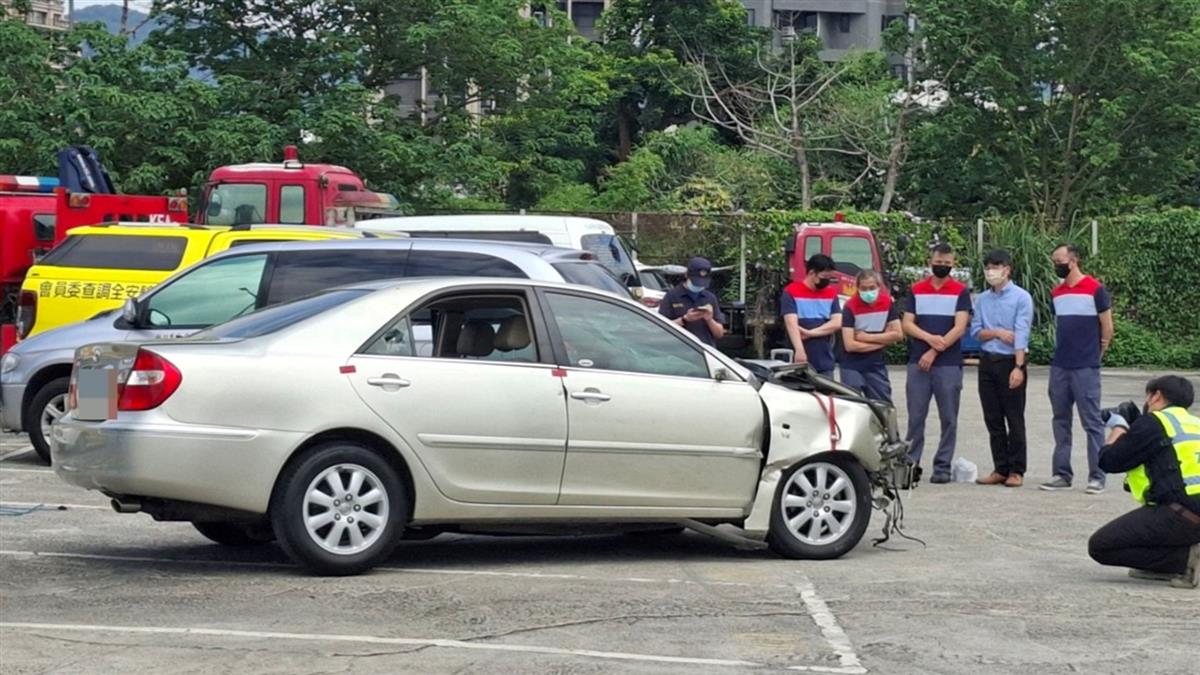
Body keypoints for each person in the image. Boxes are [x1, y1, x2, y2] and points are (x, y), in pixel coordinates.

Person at [1087, 375, 1200, 589]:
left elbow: (1109, 461)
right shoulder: (1195, 424)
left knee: (1101, 546)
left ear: (1156, 396)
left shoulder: (1154, 422)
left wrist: (1119, 427)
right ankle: (1182, 557)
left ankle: (1184, 560)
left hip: (1182, 513)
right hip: (1190, 513)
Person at [1040, 244, 1115, 494]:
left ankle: (1097, 475)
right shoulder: (1057, 292)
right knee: (1060, 420)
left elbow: (1107, 326)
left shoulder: (1095, 289)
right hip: (1060, 365)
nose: (1056, 265)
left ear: (1073, 261)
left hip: (1085, 367)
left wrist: (1097, 353)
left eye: (1059, 260)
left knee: (1092, 422)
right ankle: (1061, 473)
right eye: (1054, 261)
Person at [903, 244, 973, 483]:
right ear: (929, 260)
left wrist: (933, 350)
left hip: (948, 364)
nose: (942, 266)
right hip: (917, 363)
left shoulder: (960, 292)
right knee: (915, 417)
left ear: (953, 264)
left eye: (947, 263)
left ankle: (942, 466)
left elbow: (960, 327)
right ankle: (911, 465)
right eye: (938, 262)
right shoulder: (916, 290)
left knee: (949, 418)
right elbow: (907, 324)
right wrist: (929, 338)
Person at [970, 249, 1034, 488]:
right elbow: (976, 331)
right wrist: (996, 332)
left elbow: (1021, 334)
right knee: (993, 418)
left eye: (996, 267)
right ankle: (1000, 467)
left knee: (1014, 417)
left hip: (1010, 361)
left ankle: (1017, 470)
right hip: (987, 360)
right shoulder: (983, 299)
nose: (991, 272)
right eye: (988, 267)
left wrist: (1019, 367)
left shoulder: (1021, 297)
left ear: (1007, 269)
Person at [839, 270, 903, 402]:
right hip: (852, 365)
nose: (868, 292)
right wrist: (883, 341)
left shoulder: (887, 303)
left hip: (876, 365)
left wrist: (867, 337)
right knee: (852, 404)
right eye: (864, 288)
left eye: (872, 288)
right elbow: (850, 345)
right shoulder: (849, 307)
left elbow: (898, 334)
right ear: (858, 288)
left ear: (879, 287)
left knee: (883, 404)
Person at [781, 254, 842, 376]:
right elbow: (791, 323)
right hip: (798, 357)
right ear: (812, 273)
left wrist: (810, 333)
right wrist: (799, 350)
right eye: (824, 277)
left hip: (824, 358)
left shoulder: (830, 293)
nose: (827, 281)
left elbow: (837, 322)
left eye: (829, 277)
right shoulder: (791, 291)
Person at [659, 256, 726, 347]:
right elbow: (661, 329)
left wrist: (709, 319)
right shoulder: (672, 296)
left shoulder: (710, 298)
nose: (699, 286)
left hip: (705, 351)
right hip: (679, 351)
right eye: (696, 282)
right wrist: (685, 319)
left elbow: (719, 334)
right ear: (686, 275)